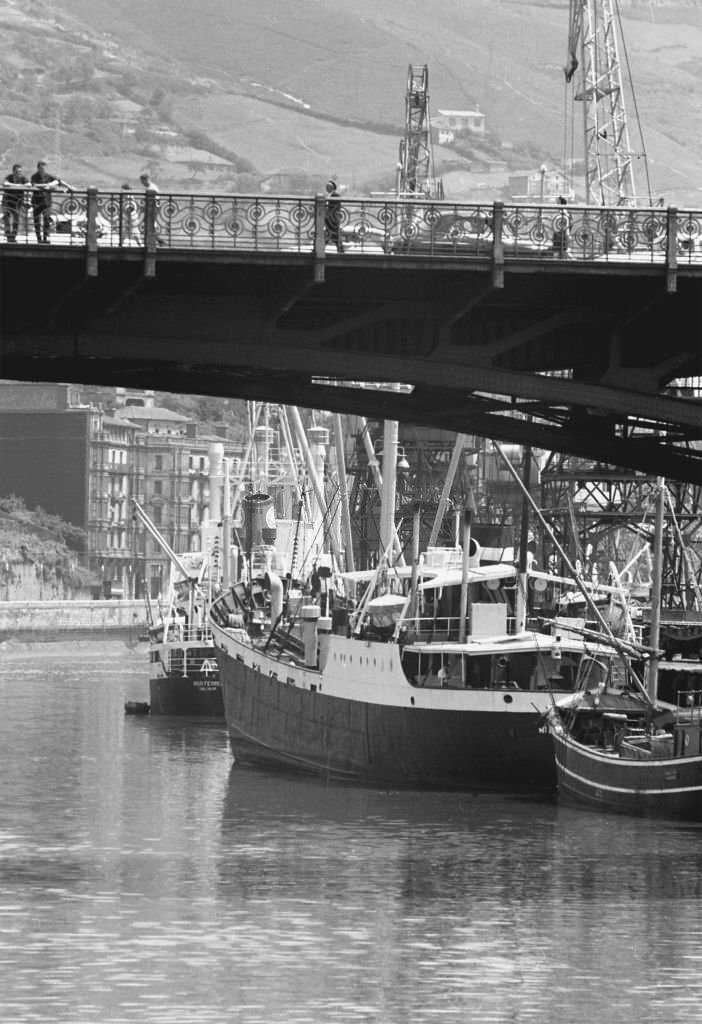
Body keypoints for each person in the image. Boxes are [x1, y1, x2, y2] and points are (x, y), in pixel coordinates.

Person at [30, 161, 67, 243]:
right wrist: (47, 185)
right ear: (38, 168)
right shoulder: (34, 176)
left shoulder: (49, 176)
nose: (42, 170)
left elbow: (59, 181)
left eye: (44, 168)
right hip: (36, 201)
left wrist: (69, 187)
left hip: (46, 201)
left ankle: (45, 238)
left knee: (46, 220)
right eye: (41, 168)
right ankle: (39, 239)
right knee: (37, 221)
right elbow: (34, 185)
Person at [2, 163, 28, 242]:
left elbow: (29, 184)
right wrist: (18, 186)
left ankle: (13, 237)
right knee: (6, 218)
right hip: (7, 201)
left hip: (17, 203)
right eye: (17, 172)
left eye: (20, 172)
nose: (19, 174)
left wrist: (14, 185)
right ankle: (8, 235)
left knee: (16, 220)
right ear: (13, 171)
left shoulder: (23, 178)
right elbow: (4, 183)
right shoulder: (9, 177)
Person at [139, 172, 164, 244]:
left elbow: (155, 199)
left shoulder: (152, 188)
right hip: (151, 209)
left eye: (142, 182)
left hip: (152, 209)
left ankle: (157, 241)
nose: (142, 184)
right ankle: (155, 241)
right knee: (148, 226)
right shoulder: (151, 187)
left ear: (146, 180)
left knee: (149, 226)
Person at [324, 178, 344, 253]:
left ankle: (340, 249)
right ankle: (340, 249)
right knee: (330, 233)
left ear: (331, 188)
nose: (326, 189)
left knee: (332, 233)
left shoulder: (335, 195)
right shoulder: (330, 195)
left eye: (327, 187)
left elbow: (337, 206)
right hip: (330, 218)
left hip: (333, 218)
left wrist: (330, 214)